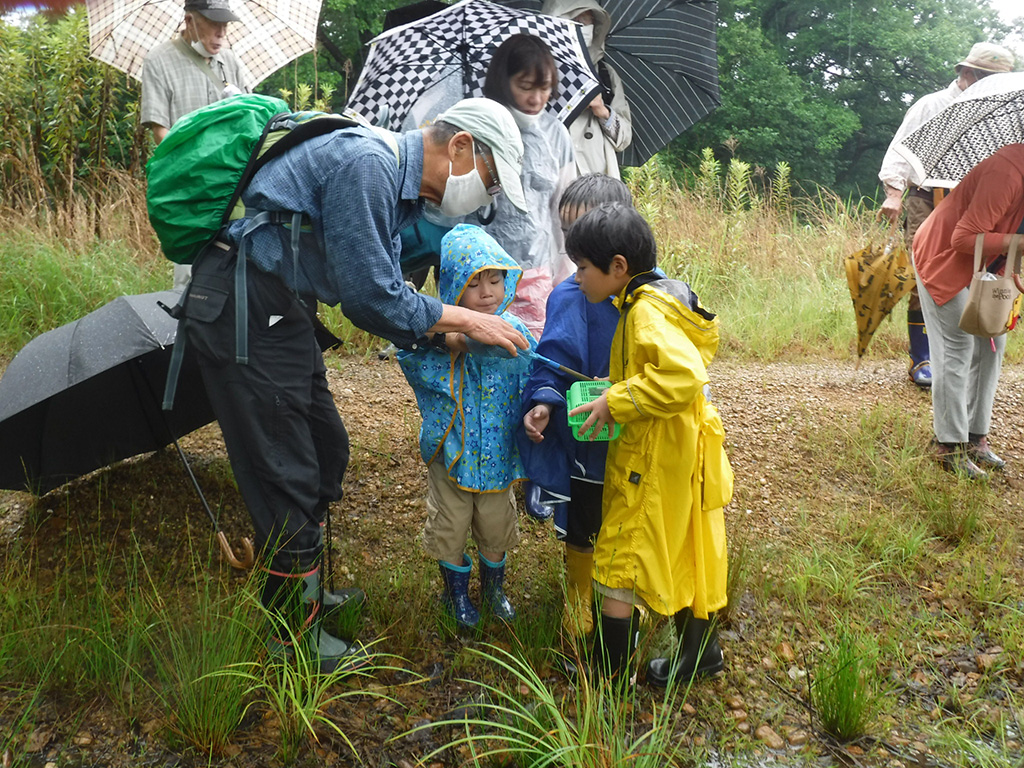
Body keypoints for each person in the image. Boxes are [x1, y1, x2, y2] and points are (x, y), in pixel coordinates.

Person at [179, 98, 530, 671]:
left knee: (325, 448)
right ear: (461, 147)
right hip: (245, 309)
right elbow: (372, 299)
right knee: (286, 468)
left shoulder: (388, 182)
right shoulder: (366, 164)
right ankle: (291, 638)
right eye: (489, 182)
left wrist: (447, 336)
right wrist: (467, 319)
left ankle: (311, 595)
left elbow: (386, 291)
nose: (486, 198)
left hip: (280, 309)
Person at [565, 203, 731, 686]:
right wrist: (618, 381)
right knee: (684, 547)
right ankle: (703, 656)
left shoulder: (643, 312)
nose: (577, 279)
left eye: (582, 268)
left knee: (619, 556)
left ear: (618, 267)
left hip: (653, 456)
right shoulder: (659, 298)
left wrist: (618, 399)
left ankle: (606, 680)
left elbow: (681, 373)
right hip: (682, 450)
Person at [398, 224, 537, 627]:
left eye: (496, 280)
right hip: (452, 453)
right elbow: (410, 356)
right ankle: (456, 595)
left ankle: (494, 590)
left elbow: (534, 375)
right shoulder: (438, 336)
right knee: (450, 527)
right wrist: (454, 341)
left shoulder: (515, 332)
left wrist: (539, 408)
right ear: (454, 286)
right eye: (474, 283)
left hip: (497, 459)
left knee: (496, 528)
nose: (488, 292)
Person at [518, 174, 632, 634]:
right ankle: (578, 604)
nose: (574, 246)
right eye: (567, 234)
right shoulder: (570, 294)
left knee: (629, 520)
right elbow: (554, 357)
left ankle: (624, 603)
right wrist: (544, 401)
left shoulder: (657, 294)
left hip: (637, 437)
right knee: (584, 522)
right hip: (589, 437)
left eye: (585, 231)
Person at [877, 42, 1015, 389]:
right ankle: (921, 357)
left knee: (976, 275)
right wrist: (894, 194)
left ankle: (961, 356)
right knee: (927, 276)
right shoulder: (933, 104)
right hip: (928, 198)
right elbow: (900, 150)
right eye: (983, 76)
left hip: (976, 204)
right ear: (966, 73)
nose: (988, 84)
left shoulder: (997, 112)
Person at [911, 143, 1024, 481]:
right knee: (957, 345)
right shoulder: (1006, 171)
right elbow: (963, 239)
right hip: (941, 256)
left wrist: (1014, 263)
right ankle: (948, 446)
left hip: (982, 266)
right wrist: (1018, 245)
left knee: (992, 344)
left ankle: (976, 439)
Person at [141, 0, 251, 291]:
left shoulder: (231, 62)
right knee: (190, 281)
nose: (221, 33)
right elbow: (160, 132)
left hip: (234, 187)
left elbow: (252, 120)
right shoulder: (158, 60)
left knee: (239, 272)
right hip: (190, 190)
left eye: (225, 25)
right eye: (213, 24)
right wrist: (202, 160)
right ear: (189, 20)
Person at [481, 33, 579, 338]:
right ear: (503, 80)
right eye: (525, 87)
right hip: (482, 270)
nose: (536, 99)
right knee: (483, 347)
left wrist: (568, 267)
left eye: (545, 88)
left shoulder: (555, 134)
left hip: (537, 265)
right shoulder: (480, 126)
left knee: (531, 346)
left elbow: (565, 206)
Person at [542, 0, 633, 179]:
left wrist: (602, 111)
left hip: (599, 181)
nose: (583, 27)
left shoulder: (606, 73)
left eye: (588, 21)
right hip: (552, 178)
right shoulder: (532, 71)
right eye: (575, 20)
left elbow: (624, 139)